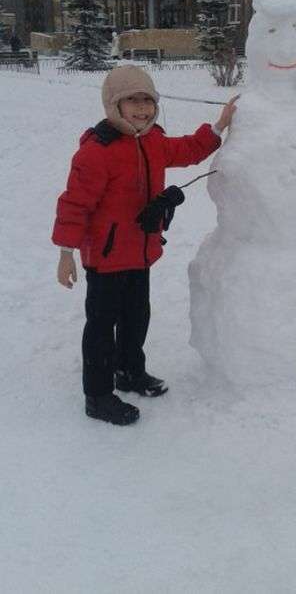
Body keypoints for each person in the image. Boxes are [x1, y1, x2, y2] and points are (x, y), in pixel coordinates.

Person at [52, 65, 238, 424]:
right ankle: (99, 395)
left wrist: (219, 125)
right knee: (102, 327)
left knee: (137, 317)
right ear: (114, 105)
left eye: (147, 102)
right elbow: (74, 204)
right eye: (132, 102)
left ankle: (129, 371)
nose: (142, 109)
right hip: (105, 259)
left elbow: (188, 149)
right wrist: (65, 253)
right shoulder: (97, 151)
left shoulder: (153, 141)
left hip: (140, 253)